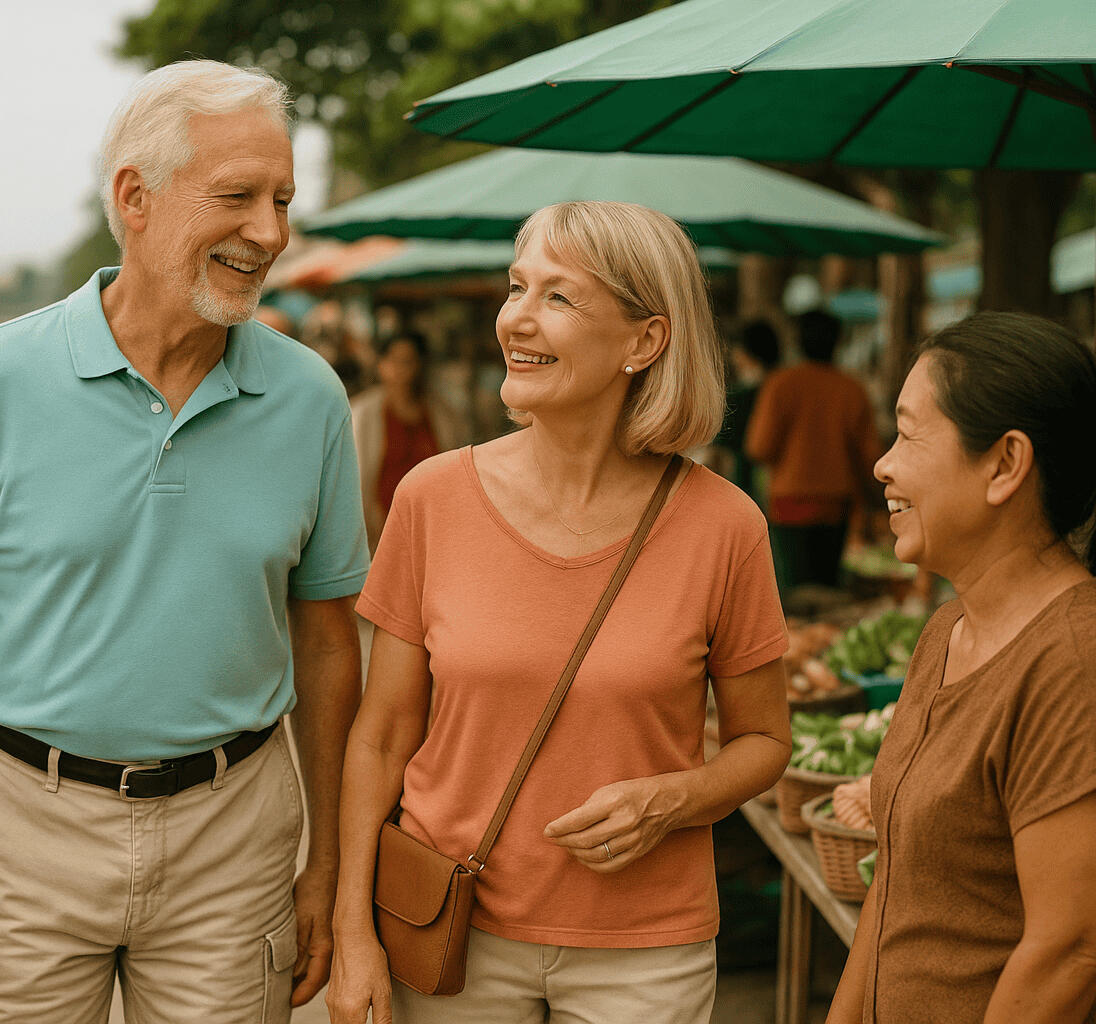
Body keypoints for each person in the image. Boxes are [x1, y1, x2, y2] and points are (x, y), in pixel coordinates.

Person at [0, 60, 369, 1024]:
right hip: (25, 831)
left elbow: (326, 640)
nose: (269, 233)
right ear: (134, 198)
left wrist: (331, 868)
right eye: (236, 197)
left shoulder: (310, 398)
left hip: (238, 836)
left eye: (281, 200)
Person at [326, 201, 792, 1024]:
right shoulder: (432, 498)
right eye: (517, 288)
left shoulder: (725, 525)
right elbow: (382, 734)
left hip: (646, 952)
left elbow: (764, 742)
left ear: (646, 342)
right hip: (449, 930)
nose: (515, 320)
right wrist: (353, 929)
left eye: (558, 298)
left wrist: (673, 801)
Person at [827, 312, 1096, 1023]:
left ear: (1006, 464)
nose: (883, 463)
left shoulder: (1082, 666)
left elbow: (1068, 953)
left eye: (909, 434)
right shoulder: (947, 631)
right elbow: (893, 889)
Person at [745, 309, 881, 591]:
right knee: (829, 588)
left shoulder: (781, 384)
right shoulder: (851, 389)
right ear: (837, 343)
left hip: (789, 506)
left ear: (798, 342)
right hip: (836, 508)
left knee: (793, 594)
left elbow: (758, 447)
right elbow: (870, 459)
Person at [349, 331, 460, 548]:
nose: (399, 369)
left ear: (420, 365)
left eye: (407, 361)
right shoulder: (362, 413)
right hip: (378, 531)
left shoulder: (442, 414)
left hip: (433, 529)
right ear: (380, 363)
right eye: (392, 359)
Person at [713, 319, 782, 499]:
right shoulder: (790, 391)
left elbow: (721, 456)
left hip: (745, 485)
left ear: (744, 353)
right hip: (781, 487)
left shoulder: (738, 398)